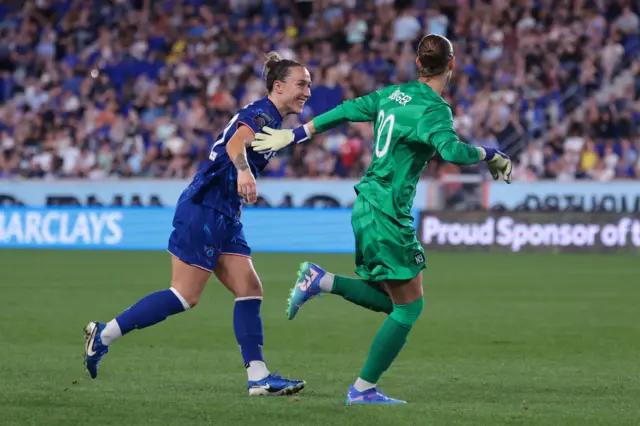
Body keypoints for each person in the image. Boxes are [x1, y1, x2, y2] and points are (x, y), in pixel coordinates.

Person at [250, 34, 512, 405]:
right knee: (410, 307)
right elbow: (453, 151)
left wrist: (296, 134)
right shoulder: (434, 110)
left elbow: (344, 110)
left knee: (395, 302)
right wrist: (491, 154)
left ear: (418, 64)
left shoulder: (392, 94)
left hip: (368, 205)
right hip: (387, 211)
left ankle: (320, 280)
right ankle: (362, 389)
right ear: (451, 65)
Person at [84, 52, 312, 396]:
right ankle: (103, 335)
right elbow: (237, 142)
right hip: (204, 207)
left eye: (309, 84)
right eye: (301, 84)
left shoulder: (273, 118)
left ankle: (258, 379)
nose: (308, 91)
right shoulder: (262, 112)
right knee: (185, 295)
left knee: (250, 289)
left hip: (226, 212)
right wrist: (245, 171)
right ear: (278, 86)